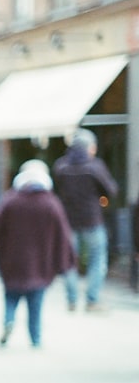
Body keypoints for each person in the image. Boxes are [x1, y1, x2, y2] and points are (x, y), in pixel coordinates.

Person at [0, 160, 76, 348]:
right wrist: (63, 262)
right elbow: (64, 235)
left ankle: (8, 321)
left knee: (11, 297)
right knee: (36, 303)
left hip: (12, 262)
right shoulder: (51, 203)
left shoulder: (10, 200)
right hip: (41, 264)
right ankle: (35, 338)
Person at [51, 128, 119, 312]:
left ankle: (72, 299)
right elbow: (111, 190)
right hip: (92, 220)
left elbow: (56, 188)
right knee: (97, 258)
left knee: (69, 260)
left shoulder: (61, 167)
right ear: (88, 148)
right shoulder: (95, 167)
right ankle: (92, 299)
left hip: (68, 220)